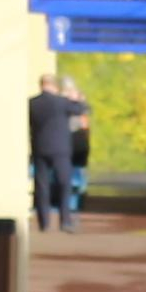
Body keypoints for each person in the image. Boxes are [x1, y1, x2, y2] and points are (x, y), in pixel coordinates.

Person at [26, 70, 89, 231]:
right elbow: (82, 109)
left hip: (40, 148)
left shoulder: (32, 103)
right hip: (60, 150)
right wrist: (75, 98)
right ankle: (65, 221)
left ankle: (44, 222)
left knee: (41, 186)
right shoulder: (61, 102)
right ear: (54, 86)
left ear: (41, 85)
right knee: (64, 184)